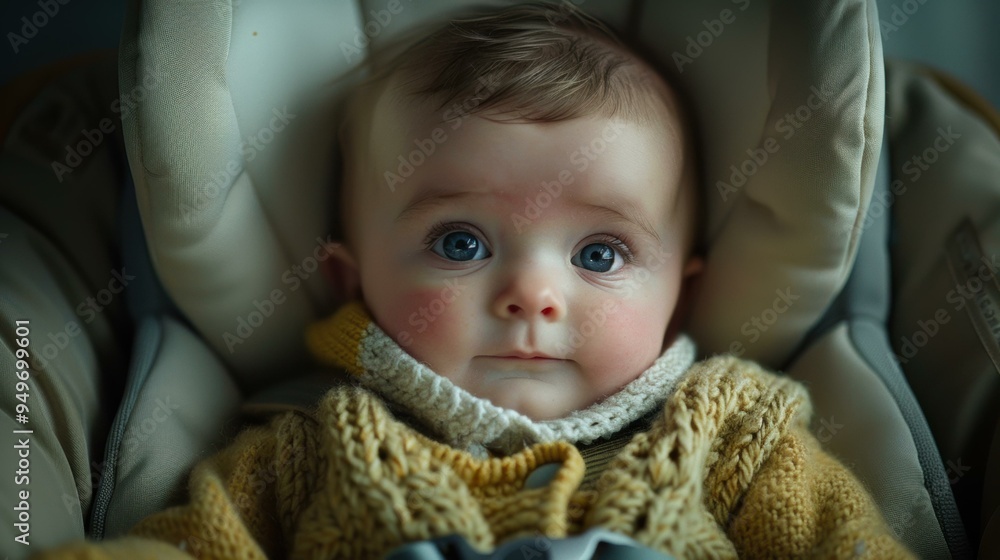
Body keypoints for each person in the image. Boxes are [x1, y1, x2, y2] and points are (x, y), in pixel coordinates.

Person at [36, 2, 913, 558]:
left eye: (600, 255)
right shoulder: (310, 447)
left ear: (680, 294)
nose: (532, 293)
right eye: (460, 242)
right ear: (351, 279)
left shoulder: (733, 440)